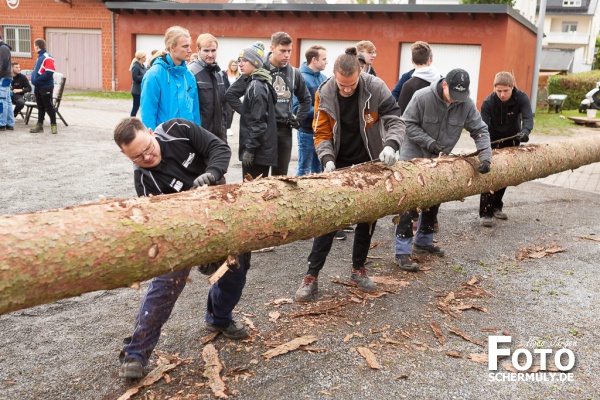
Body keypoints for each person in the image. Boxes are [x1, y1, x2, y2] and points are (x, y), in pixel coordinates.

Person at [114, 117, 250, 380]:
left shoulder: (179, 129)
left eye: (148, 148)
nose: (147, 156)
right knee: (166, 285)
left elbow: (219, 149)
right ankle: (136, 354)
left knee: (235, 268)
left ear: (151, 132)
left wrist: (211, 173)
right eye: (138, 157)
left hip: (220, 211)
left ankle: (219, 317)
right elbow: (160, 226)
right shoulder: (144, 182)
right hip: (182, 230)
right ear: (125, 155)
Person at [294, 47, 405, 302]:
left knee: (368, 218)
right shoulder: (324, 91)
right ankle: (311, 276)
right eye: (342, 85)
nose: (346, 90)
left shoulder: (375, 87)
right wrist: (327, 160)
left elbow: (394, 119)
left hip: (370, 160)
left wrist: (392, 144)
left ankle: (359, 268)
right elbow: (321, 132)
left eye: (351, 85)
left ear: (360, 73)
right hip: (339, 161)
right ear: (333, 76)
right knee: (329, 220)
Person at [395, 68, 492, 271]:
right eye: (453, 96)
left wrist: (485, 157)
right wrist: (429, 143)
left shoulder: (465, 103)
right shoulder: (422, 97)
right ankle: (402, 252)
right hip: (413, 157)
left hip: (439, 159)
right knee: (408, 203)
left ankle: (423, 241)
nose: (456, 100)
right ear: (445, 84)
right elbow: (407, 124)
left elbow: (480, 129)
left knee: (435, 199)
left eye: (460, 96)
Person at [226, 32, 311, 176]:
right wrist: (249, 113)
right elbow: (231, 94)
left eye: (289, 51)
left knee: (280, 178)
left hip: (283, 131)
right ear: (272, 48)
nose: (287, 55)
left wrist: (298, 119)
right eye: (282, 51)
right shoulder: (259, 68)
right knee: (257, 178)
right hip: (262, 131)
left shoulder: (294, 73)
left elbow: (306, 99)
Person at [479, 71, 533, 227]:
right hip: (493, 141)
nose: (502, 94)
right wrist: (485, 146)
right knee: (490, 176)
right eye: (499, 91)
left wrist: (525, 131)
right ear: (494, 89)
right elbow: (483, 127)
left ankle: (496, 206)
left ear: (512, 87)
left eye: (505, 91)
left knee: (505, 175)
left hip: (513, 140)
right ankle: (485, 212)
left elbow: (528, 117)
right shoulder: (488, 102)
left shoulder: (521, 98)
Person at [139, 26, 200, 131]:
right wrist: (153, 142)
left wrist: (198, 137)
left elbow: (195, 112)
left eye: (189, 46)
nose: (190, 50)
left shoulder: (189, 76)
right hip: (163, 140)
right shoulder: (153, 76)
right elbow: (148, 115)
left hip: (187, 140)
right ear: (172, 47)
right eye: (185, 46)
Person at [235, 42, 278, 180]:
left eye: (245, 61)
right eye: (239, 61)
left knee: (252, 194)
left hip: (258, 154)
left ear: (255, 63)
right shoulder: (258, 82)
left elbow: (258, 122)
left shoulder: (257, 86)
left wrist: (250, 149)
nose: (240, 64)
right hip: (261, 152)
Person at [188, 33, 228, 143]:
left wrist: (223, 135)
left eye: (213, 50)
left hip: (219, 137)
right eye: (206, 50)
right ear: (198, 50)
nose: (210, 54)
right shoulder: (191, 73)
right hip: (200, 137)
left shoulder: (219, 73)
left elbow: (223, 107)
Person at [295, 45, 327, 177]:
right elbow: (296, 108)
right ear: (314, 60)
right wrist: (321, 111)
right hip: (306, 132)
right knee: (303, 170)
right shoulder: (299, 78)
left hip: (321, 132)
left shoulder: (324, 78)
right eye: (324, 59)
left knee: (318, 170)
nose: (327, 62)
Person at [30, 38, 57, 134]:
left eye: (34, 46)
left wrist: (37, 80)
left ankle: (53, 125)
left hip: (45, 86)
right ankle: (39, 125)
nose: (33, 48)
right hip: (38, 86)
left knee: (48, 106)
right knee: (40, 106)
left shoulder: (47, 57)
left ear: (37, 47)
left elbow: (49, 72)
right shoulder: (39, 57)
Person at [0, 34, 14, 131]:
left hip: (3, 78)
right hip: (6, 77)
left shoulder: (3, 48)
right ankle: (9, 123)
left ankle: (2, 123)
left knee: (2, 100)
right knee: (7, 100)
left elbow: (4, 63)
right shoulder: (4, 48)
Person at [222, 59, 240, 137]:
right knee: (228, 112)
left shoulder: (239, 75)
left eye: (235, 65)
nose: (234, 67)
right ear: (230, 65)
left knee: (232, 112)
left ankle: (228, 127)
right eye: (233, 65)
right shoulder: (225, 74)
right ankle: (227, 128)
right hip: (227, 96)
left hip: (235, 96)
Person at [129, 51, 147, 117]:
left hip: (142, 90)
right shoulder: (136, 66)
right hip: (136, 91)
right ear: (141, 57)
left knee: (142, 106)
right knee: (135, 107)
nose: (146, 58)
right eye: (144, 57)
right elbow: (135, 77)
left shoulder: (143, 66)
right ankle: (131, 120)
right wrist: (144, 77)